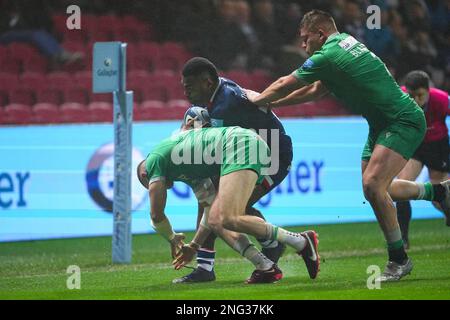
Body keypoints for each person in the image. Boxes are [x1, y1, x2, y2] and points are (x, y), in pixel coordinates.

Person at [248, 9, 450, 282]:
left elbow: (286, 83)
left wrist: (253, 103)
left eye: (306, 39)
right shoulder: (346, 43)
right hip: (381, 124)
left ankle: (399, 259)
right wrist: (272, 104)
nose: (303, 45)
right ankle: (438, 193)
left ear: (321, 34)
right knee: (380, 189)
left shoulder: (330, 54)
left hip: (401, 121)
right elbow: (315, 90)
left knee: (373, 185)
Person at [136, 122, 320, 283]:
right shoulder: (189, 172)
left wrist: (171, 238)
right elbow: (209, 213)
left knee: (229, 217)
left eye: (148, 184)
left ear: (146, 175)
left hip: (239, 145)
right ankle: (265, 266)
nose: (157, 187)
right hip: (246, 146)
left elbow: (156, 214)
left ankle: (301, 242)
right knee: (218, 219)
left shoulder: (154, 161)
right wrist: (194, 246)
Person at [175, 57, 293, 283]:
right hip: (249, 152)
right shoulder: (220, 92)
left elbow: (221, 147)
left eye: (189, 87)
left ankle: (272, 245)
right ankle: (205, 266)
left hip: (273, 157)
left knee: (232, 207)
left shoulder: (225, 108)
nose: (185, 93)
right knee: (210, 198)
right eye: (184, 87)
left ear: (207, 83)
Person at [396, 70, 450, 249]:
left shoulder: (442, 99)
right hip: (415, 146)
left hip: (437, 146)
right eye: (412, 95)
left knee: (439, 197)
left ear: (428, 90)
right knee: (401, 186)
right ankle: (403, 238)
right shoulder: (400, 97)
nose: (416, 101)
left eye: (420, 95)